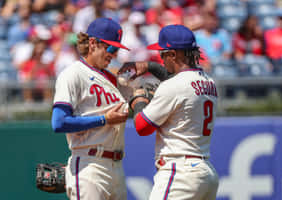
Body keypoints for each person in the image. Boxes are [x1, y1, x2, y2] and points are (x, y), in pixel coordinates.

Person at [119, 24, 219, 200]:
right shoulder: (209, 82)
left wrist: (139, 100)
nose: (161, 59)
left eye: (162, 54)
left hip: (181, 173)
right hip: (206, 172)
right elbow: (181, 81)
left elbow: (143, 127)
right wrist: (150, 66)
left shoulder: (173, 86)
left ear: (173, 54)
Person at [51, 18, 130, 200]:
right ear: (93, 43)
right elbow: (59, 122)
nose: (113, 54)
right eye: (110, 48)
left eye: (116, 50)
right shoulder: (73, 74)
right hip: (89, 164)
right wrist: (104, 119)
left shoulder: (112, 79)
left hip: (116, 166)